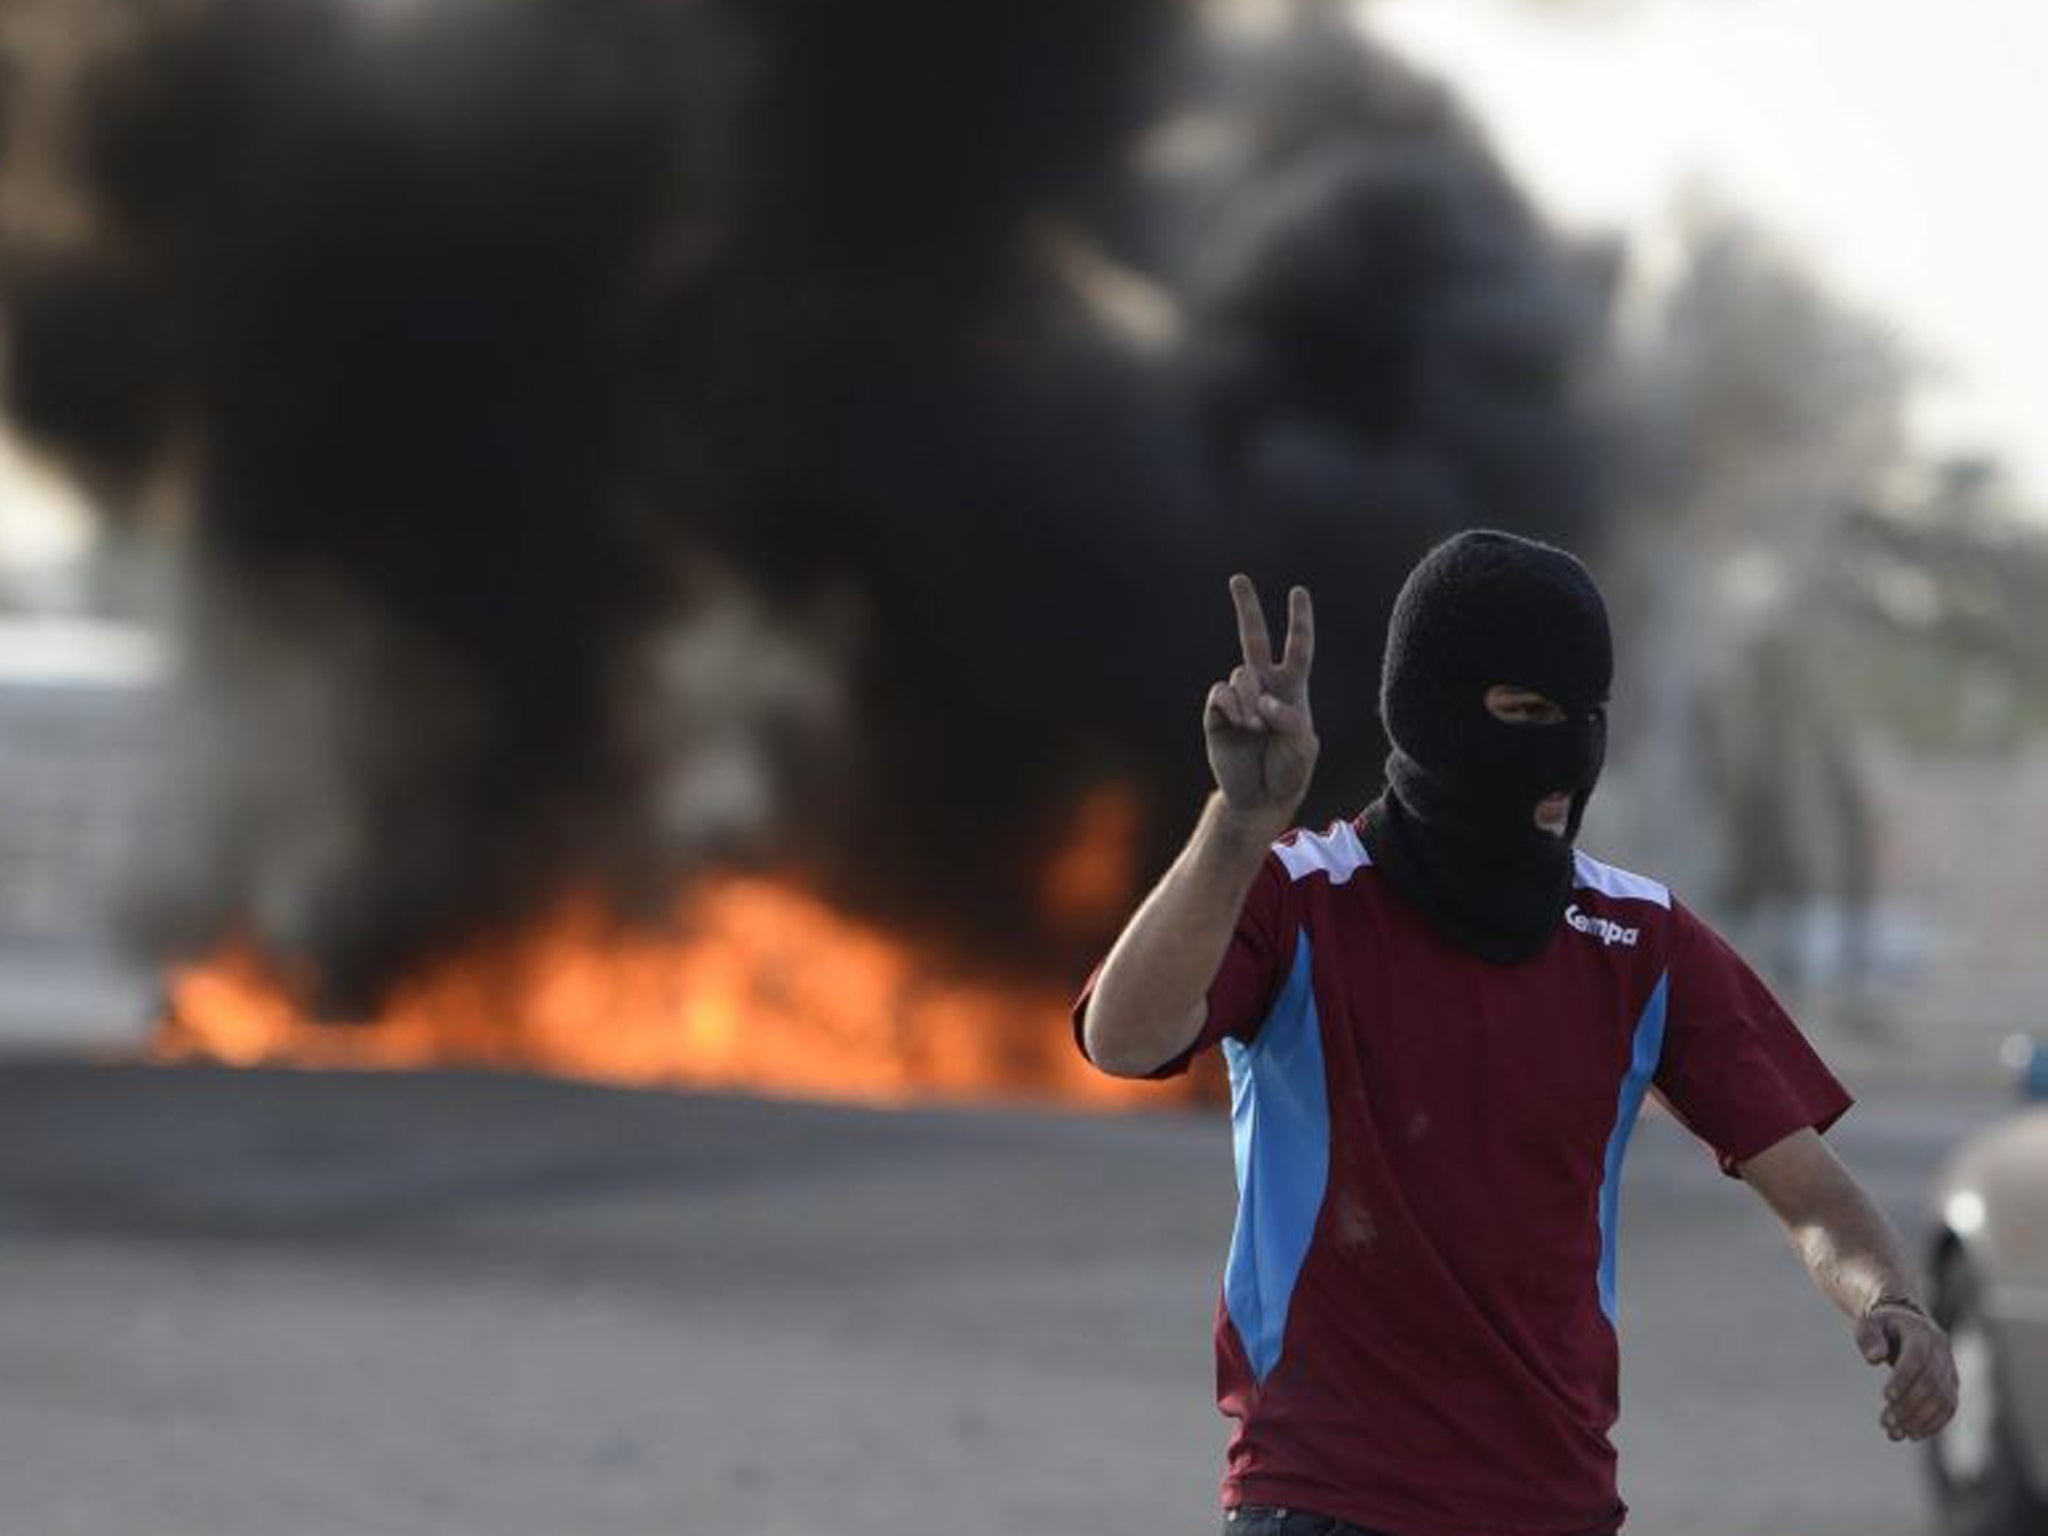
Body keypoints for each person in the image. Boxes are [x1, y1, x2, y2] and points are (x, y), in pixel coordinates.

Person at [1073, 530, 1959, 1536]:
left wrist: (1893, 1302)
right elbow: (1125, 1038)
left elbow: (1813, 1199)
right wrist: (1236, 825)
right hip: (1321, 1502)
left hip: (1552, 1509)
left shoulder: (1640, 941)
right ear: (1432, 712)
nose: (1560, 752)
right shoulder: (1298, 899)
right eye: (1523, 713)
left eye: (1583, 717)